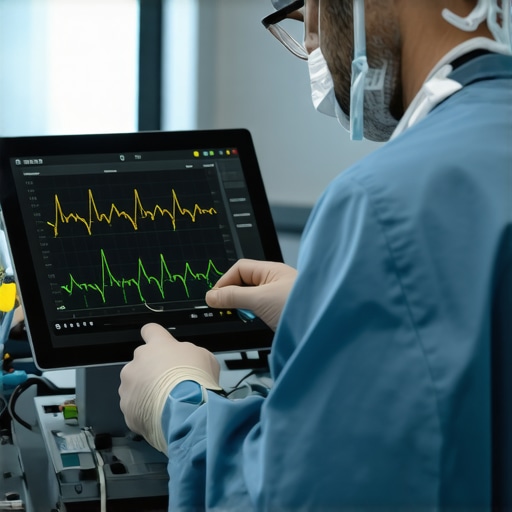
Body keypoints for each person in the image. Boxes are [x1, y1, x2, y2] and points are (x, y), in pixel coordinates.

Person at [119, 0, 512, 509]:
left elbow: (299, 496)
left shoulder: (383, 202)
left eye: (310, 6)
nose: (309, 39)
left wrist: (178, 400)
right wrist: (327, 308)